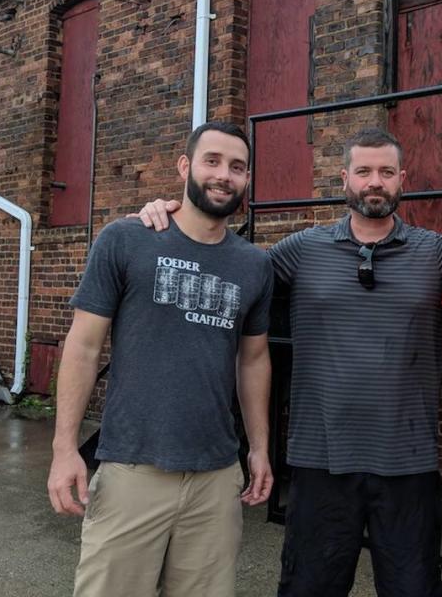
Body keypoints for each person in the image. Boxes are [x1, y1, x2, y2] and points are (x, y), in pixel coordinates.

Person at [137, 126, 442, 597]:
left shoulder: (438, 254)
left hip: (407, 462)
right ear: (344, 177)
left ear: (401, 179)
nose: (374, 182)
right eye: (363, 171)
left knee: (414, 589)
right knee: (309, 587)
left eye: (386, 172)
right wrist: (171, 214)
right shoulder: (302, 251)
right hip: (320, 460)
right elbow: (231, 268)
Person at [47, 121, 275, 597]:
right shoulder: (127, 239)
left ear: (247, 179)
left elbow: (252, 360)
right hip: (133, 468)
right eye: (212, 161)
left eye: (237, 167)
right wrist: (64, 448)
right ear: (185, 166)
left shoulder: (254, 266)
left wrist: (257, 447)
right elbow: (84, 347)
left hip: (215, 476)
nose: (224, 175)